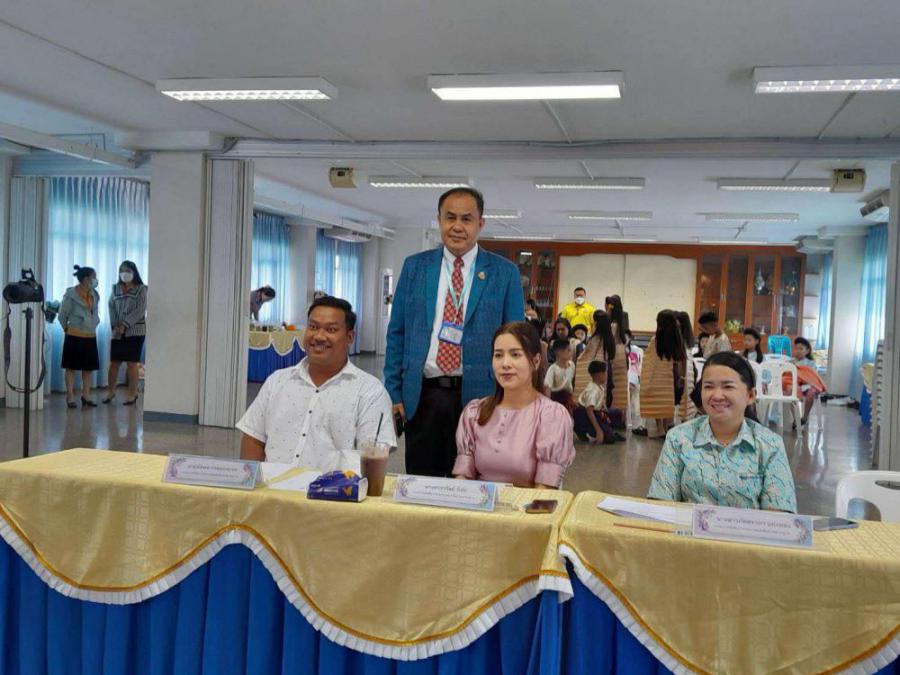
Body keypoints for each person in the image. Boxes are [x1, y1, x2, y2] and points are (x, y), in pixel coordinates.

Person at [385, 187, 525, 477]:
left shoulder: (504, 272)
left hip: (483, 398)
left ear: (480, 223)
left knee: (475, 484)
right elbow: (397, 333)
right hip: (423, 396)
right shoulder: (415, 267)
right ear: (439, 220)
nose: (457, 226)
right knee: (422, 484)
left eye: (466, 219)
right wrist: (394, 392)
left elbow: (517, 345)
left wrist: (513, 399)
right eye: (450, 218)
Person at [239, 297, 395, 471]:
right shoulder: (277, 381)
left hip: (335, 488)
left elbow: (373, 456)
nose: (319, 336)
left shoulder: (370, 391)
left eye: (331, 329)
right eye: (313, 327)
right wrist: (254, 483)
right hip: (272, 486)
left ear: (349, 337)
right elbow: (253, 438)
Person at [648, 351, 797, 512]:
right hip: (687, 529)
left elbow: (779, 515)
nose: (717, 396)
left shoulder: (770, 445)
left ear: (750, 395)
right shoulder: (679, 438)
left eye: (728, 386)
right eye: (708, 387)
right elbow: (660, 503)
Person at [453, 322, 574, 488]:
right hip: (479, 504)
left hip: (528, 504)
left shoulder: (551, 416)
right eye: (498, 355)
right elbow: (463, 480)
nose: (505, 364)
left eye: (515, 355)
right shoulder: (475, 413)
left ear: (536, 361)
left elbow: (545, 491)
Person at [104, 261, 147, 405]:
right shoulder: (115, 288)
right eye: (122, 271)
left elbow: (141, 310)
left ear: (134, 272)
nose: (124, 274)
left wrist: (125, 324)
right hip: (117, 331)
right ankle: (111, 392)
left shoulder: (141, 289)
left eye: (127, 271)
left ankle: (132, 394)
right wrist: (115, 324)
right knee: (114, 363)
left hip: (135, 332)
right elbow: (111, 306)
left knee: (131, 363)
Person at [58, 265, 101, 408]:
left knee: (88, 368)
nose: (95, 280)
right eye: (93, 277)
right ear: (86, 278)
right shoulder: (71, 294)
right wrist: (67, 329)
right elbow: (62, 314)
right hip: (74, 334)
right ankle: (70, 396)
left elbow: (95, 312)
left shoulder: (94, 294)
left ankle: (86, 395)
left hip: (90, 334)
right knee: (71, 367)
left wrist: (95, 323)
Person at [639, 310, 687, 438]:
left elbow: (649, 358)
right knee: (668, 402)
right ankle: (666, 427)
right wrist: (682, 376)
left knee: (657, 401)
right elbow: (681, 358)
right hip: (672, 376)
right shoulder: (677, 338)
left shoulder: (656, 339)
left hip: (657, 376)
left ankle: (660, 428)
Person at [573, 361, 625, 444]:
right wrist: (598, 430)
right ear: (599, 375)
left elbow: (601, 406)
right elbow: (589, 411)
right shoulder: (592, 391)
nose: (606, 375)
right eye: (605, 373)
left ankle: (606, 430)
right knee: (608, 437)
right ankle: (589, 434)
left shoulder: (599, 387)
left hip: (596, 413)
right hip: (585, 417)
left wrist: (605, 413)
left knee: (616, 413)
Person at [791, 337, 826, 427]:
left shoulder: (811, 363)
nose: (798, 351)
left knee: (811, 393)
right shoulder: (791, 362)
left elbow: (812, 376)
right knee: (789, 393)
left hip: (807, 385)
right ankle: (796, 418)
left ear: (807, 351)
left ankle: (804, 417)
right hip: (795, 385)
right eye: (796, 348)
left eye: (801, 349)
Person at [675, 311, 698, 423]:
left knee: (682, 398)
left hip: (684, 372)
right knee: (687, 400)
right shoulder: (688, 340)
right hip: (690, 371)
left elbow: (681, 360)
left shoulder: (679, 341)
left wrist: (681, 377)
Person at [544, 339, 575, 411]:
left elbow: (571, 383)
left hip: (568, 400)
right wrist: (549, 406)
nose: (571, 352)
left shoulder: (572, 365)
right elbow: (547, 388)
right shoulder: (553, 369)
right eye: (568, 350)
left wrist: (572, 399)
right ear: (559, 352)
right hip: (557, 401)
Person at [625, 330, 646, 434]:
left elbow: (638, 366)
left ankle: (636, 424)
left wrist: (634, 379)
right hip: (624, 377)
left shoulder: (636, 350)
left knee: (635, 400)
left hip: (634, 377)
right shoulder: (618, 349)